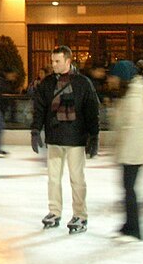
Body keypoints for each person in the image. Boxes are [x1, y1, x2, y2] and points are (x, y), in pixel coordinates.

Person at [30, 45, 100, 234]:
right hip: (54, 138)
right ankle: (54, 212)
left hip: (76, 139)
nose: (53, 64)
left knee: (77, 179)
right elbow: (39, 108)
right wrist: (35, 130)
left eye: (57, 61)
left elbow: (92, 110)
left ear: (68, 61)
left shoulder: (82, 83)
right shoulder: (47, 83)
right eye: (52, 61)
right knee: (53, 179)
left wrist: (94, 135)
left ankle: (80, 214)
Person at [108, 60, 143, 242]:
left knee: (129, 189)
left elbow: (130, 125)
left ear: (122, 77)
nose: (111, 80)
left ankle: (135, 229)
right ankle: (129, 224)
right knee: (128, 188)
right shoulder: (130, 92)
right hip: (132, 148)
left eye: (114, 76)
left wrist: (120, 145)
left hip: (134, 150)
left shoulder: (134, 94)